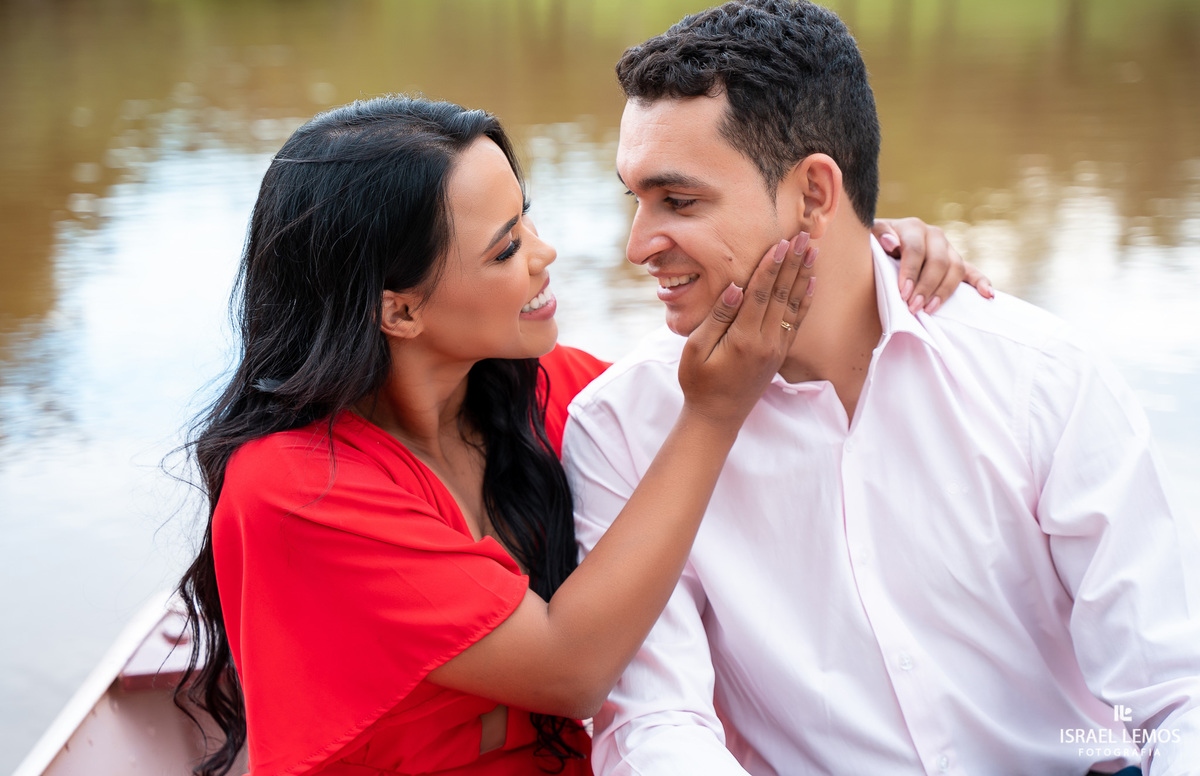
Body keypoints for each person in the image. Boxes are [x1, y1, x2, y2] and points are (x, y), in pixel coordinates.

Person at [173, 95, 975, 776]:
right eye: (506, 248)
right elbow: (571, 672)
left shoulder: (546, 391)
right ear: (401, 310)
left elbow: (725, 373)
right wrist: (710, 416)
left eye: (527, 219)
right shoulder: (293, 488)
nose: (544, 255)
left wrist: (852, 251)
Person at [564, 0, 1200, 776]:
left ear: (814, 194)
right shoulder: (620, 427)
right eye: (636, 200)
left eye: (679, 201)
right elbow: (659, 724)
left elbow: (1171, 698)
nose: (637, 246)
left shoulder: (1038, 375)